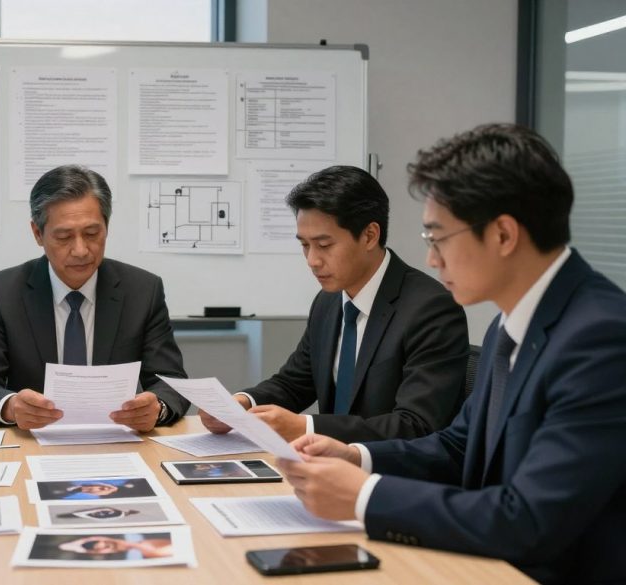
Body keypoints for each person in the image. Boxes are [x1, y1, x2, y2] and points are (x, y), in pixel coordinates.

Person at [279, 124, 626, 584]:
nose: (431, 260)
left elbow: (528, 520)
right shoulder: (513, 320)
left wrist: (365, 496)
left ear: (503, 235)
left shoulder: (600, 338)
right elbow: (456, 445)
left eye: (438, 237)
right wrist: (356, 457)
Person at [200, 166, 468, 443]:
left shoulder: (430, 309)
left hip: (391, 474)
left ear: (369, 236)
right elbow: (295, 383)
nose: (312, 260)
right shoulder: (328, 301)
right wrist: (242, 403)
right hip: (326, 466)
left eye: (324, 245)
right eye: (305, 245)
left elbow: (416, 425)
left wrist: (306, 427)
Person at [0, 164, 189, 431]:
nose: (80, 250)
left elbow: (171, 381)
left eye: (92, 234)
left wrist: (156, 408)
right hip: (31, 443)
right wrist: (11, 407)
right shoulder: (1, 292)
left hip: (118, 441)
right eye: (64, 237)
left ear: (107, 227)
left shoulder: (142, 290)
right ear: (37, 234)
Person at [57, 535, 173, 559]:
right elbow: (157, 553)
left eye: (107, 543)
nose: (105, 546)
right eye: (106, 547)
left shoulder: (134, 535)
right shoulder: (133, 559)